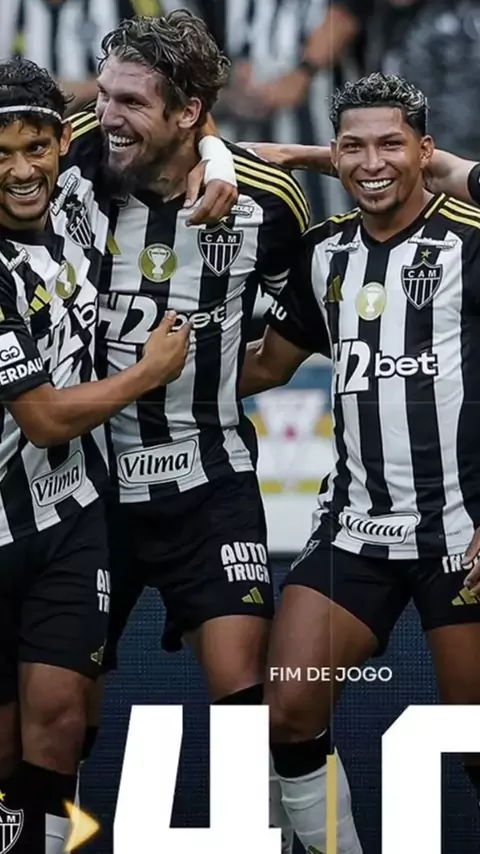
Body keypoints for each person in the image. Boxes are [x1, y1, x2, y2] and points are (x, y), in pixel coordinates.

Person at [71, 11, 308, 848]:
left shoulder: (267, 201)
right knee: (62, 709)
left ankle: (253, 839)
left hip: (210, 483)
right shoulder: (71, 159)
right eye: (104, 95)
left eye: (132, 102)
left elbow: (293, 335)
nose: (107, 115)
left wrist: (210, 377)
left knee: (244, 695)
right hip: (86, 489)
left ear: (189, 111)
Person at [240, 72, 480, 853]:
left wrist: (303, 155)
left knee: (475, 736)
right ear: (336, 153)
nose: (371, 163)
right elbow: (268, 365)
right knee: (288, 711)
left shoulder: (472, 239)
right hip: (356, 532)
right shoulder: (323, 254)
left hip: (462, 536)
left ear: (426, 151)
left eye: (390, 145)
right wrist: (146, 373)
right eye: (352, 147)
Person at [0, 56, 194, 854]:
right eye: (1, 155)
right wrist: (147, 374)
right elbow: (44, 419)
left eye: (35, 149)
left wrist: (219, 160)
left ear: (60, 143)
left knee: (60, 718)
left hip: (73, 516)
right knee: (8, 757)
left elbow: (181, 127)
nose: (23, 171)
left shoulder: (77, 189)